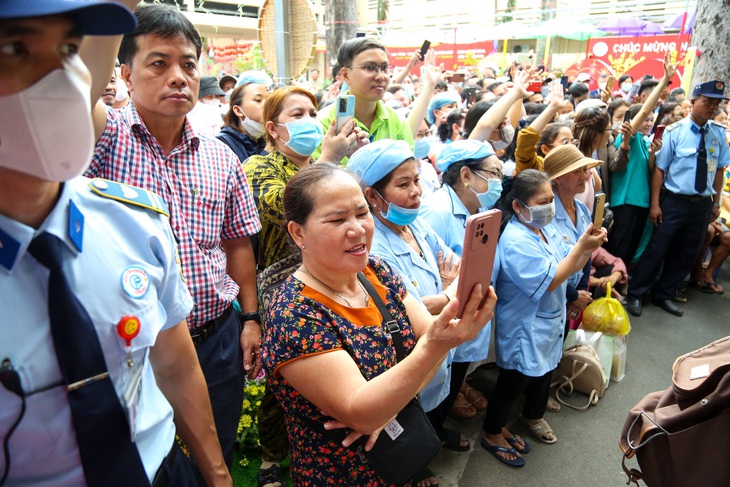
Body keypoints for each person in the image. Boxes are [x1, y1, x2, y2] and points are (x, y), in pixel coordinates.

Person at [0, 1, 231, 485]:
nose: (59, 78)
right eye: (15, 48)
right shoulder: (115, 137)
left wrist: (215, 474)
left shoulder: (134, 222)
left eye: (68, 49)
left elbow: (173, 363)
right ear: (124, 75)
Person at [84, 2, 262, 476]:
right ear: (124, 73)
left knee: (216, 449)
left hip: (215, 336)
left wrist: (249, 318)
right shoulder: (102, 140)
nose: (178, 77)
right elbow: (78, 90)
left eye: (188, 64)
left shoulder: (220, 158)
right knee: (147, 459)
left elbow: (237, 245)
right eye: (158, 64)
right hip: (133, 347)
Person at [261, 162, 495, 486]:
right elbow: (362, 409)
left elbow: (427, 336)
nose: (357, 229)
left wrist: (388, 404)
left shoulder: (375, 272)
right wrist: (380, 404)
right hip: (341, 473)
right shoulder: (293, 314)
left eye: (362, 213)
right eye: (337, 219)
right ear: (298, 232)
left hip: (396, 458)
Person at [243, 85, 364, 486]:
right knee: (283, 379)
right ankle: (273, 457)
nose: (310, 121)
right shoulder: (259, 167)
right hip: (282, 288)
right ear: (274, 129)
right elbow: (282, 208)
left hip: (328, 278)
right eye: (297, 114)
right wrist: (327, 162)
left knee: (331, 366)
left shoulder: (317, 163)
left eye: (314, 112)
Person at [347, 140, 465, 487]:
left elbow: (458, 268)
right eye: (403, 184)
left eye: (417, 180)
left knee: (435, 405)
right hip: (405, 355)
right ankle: (415, 468)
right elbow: (398, 310)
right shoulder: (372, 247)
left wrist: (438, 296)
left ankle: (434, 441)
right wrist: (446, 292)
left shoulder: (415, 225)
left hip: (436, 346)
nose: (416, 192)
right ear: (372, 196)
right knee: (406, 418)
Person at [481, 170, 606, 467]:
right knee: (512, 380)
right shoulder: (515, 240)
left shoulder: (543, 228)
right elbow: (550, 280)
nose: (550, 207)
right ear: (518, 206)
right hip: (523, 325)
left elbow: (568, 262)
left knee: (523, 378)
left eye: (551, 200)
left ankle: (499, 427)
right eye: (542, 201)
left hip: (545, 321)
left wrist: (587, 248)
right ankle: (491, 433)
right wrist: (581, 247)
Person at [626, 80, 730, 318]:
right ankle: (636, 294)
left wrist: (714, 203)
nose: (712, 107)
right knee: (657, 248)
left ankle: (665, 294)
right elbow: (659, 171)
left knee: (687, 251)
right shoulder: (675, 131)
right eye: (707, 102)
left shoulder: (717, 133)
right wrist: (655, 204)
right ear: (692, 102)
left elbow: (720, 170)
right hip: (674, 201)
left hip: (701, 205)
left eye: (716, 103)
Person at [420, 140, 503, 418]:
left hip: (464, 317)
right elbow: (429, 271)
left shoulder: (476, 209)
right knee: (437, 394)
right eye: (493, 174)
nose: (499, 182)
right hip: (445, 319)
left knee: (452, 383)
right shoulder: (437, 212)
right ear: (466, 175)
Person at [313, 37, 415, 161]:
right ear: (345, 74)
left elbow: (407, 172)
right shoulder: (322, 124)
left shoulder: (397, 121)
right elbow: (314, 178)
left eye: (384, 68)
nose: (380, 76)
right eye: (369, 67)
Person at [217, 81, 269, 163]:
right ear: (238, 111)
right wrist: (267, 151)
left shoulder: (267, 140)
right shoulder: (222, 145)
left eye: (269, 100)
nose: (267, 105)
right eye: (258, 100)